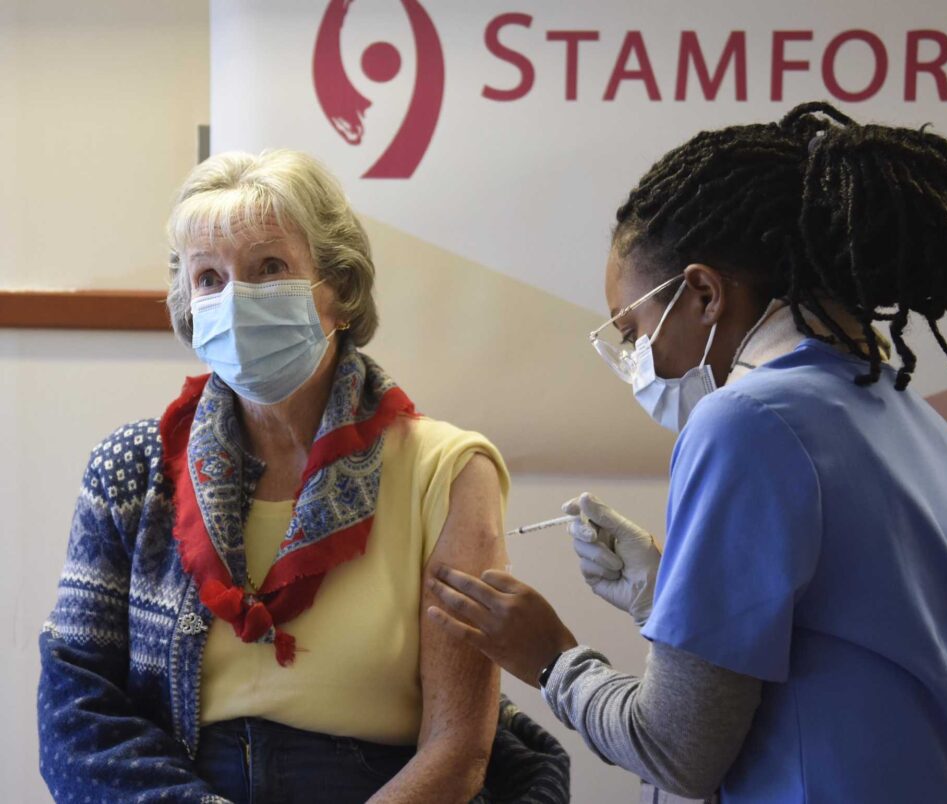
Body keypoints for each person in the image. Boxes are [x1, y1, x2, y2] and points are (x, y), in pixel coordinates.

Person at [429, 102, 947, 803]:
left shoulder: (744, 422)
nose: (634, 360)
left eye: (633, 330)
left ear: (705, 293)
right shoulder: (917, 426)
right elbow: (853, 659)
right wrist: (662, 592)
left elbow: (678, 750)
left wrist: (551, 658)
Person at [37, 150, 567, 804]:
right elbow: (74, 713)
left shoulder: (448, 470)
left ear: (339, 292)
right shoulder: (132, 470)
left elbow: (458, 749)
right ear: (188, 311)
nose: (237, 301)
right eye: (209, 278)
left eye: (269, 269)